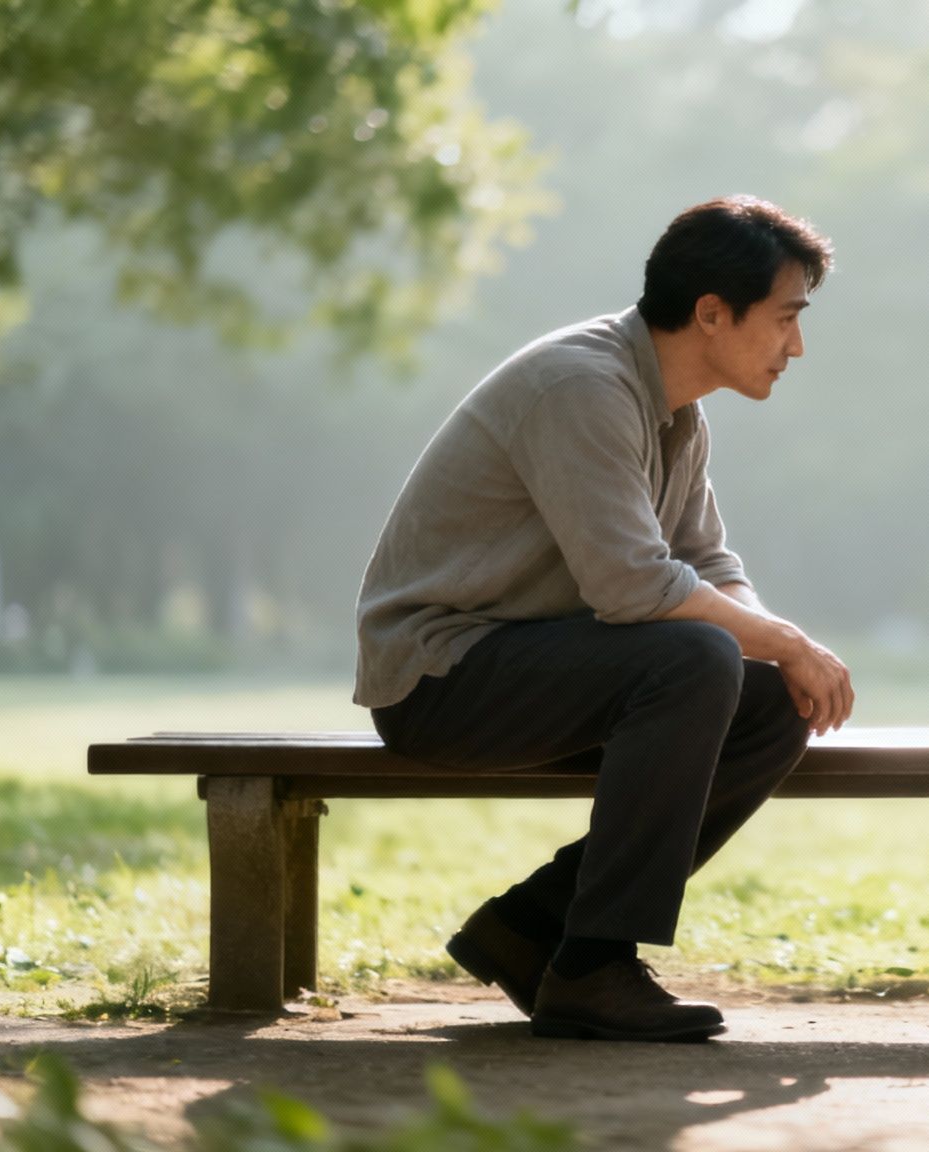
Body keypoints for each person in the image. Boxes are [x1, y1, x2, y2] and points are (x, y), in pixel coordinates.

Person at [354, 196, 854, 1042]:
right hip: (440, 675)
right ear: (710, 313)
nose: (796, 345)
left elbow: (709, 564)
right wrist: (792, 643)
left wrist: (781, 655)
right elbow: (633, 587)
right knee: (696, 658)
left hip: (543, 666)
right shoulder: (582, 387)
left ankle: (532, 927)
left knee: (769, 703)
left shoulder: (675, 411)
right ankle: (594, 965)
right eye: (785, 318)